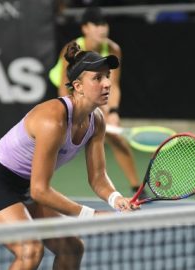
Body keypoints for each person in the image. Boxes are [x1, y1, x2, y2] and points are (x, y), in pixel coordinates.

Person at [0, 42, 138, 270]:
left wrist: (116, 200)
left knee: (72, 249)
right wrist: (91, 215)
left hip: (22, 186)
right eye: (97, 78)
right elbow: (40, 190)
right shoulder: (52, 120)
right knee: (30, 252)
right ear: (78, 86)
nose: (107, 84)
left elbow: (97, 177)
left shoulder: (97, 121)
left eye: (108, 76)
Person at [50, 6, 145, 196]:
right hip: (72, 88)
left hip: (95, 88)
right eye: (96, 24)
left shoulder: (112, 49)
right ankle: (34, 184)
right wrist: (72, 114)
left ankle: (137, 188)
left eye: (104, 24)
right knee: (55, 141)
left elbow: (113, 85)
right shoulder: (72, 50)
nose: (102, 29)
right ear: (85, 28)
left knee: (116, 138)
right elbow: (64, 86)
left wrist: (113, 112)